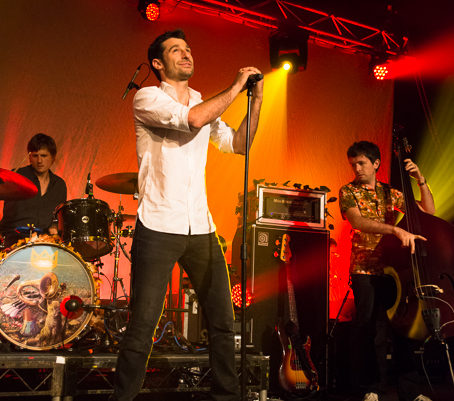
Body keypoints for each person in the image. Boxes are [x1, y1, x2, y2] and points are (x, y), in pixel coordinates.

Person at [111, 29, 263, 401]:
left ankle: (227, 395)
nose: (186, 54)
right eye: (176, 50)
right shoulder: (148, 97)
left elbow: (239, 144)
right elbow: (193, 120)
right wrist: (235, 86)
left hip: (201, 226)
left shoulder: (201, 100)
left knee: (223, 320)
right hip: (158, 224)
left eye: (188, 49)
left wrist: (256, 100)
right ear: (158, 63)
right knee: (143, 324)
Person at [339, 141, 435, 401]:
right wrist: (395, 229)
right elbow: (358, 221)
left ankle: (410, 390)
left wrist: (421, 181)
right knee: (370, 328)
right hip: (365, 268)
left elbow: (428, 212)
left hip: (394, 270)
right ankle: (371, 388)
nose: (357, 169)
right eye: (353, 164)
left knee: (403, 327)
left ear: (376, 164)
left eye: (362, 163)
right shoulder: (348, 191)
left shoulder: (391, 193)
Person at [0, 133, 67, 247]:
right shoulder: (17, 177)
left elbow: (59, 218)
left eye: (44, 156)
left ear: (53, 157)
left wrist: (55, 228)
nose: (39, 161)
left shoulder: (59, 185)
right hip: (14, 240)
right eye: (35, 156)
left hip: (45, 242)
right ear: (29, 157)